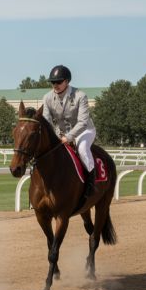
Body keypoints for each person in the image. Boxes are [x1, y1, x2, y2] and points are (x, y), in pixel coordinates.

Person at [42, 65, 97, 196]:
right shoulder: (47, 98)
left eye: (59, 82)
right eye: (53, 82)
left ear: (67, 81)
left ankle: (91, 183)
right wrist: (54, 136)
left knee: (82, 149)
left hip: (85, 131)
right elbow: (47, 121)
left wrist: (69, 137)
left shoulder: (80, 96)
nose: (55, 85)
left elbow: (82, 122)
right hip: (61, 134)